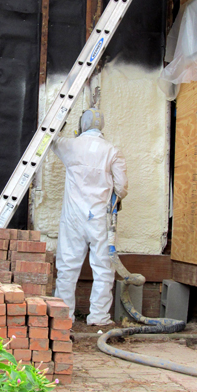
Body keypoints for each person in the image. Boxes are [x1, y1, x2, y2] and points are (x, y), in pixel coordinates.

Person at [52, 107, 128, 326]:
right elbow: (122, 187)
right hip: (100, 218)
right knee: (103, 268)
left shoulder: (71, 146)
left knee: (67, 267)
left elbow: (52, 140)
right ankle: (98, 317)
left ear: (82, 125)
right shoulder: (112, 151)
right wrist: (114, 195)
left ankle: (64, 316)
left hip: (73, 217)